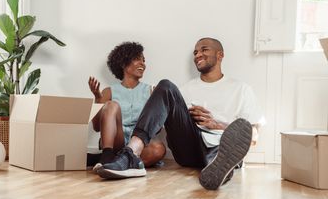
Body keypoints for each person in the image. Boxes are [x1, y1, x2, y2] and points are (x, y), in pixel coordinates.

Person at [96, 37, 265, 190]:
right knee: (165, 86)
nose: (198, 54)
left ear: (220, 55)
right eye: (195, 52)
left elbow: (254, 135)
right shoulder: (184, 90)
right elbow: (164, 124)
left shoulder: (241, 89)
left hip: (220, 143)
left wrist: (217, 124)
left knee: (219, 147)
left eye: (204, 49)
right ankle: (131, 154)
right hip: (190, 146)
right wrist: (186, 120)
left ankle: (218, 167)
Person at [88, 41, 166, 172]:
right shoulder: (109, 91)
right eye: (137, 59)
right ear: (123, 64)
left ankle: (110, 161)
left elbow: (156, 129)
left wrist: (158, 105)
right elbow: (96, 127)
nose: (143, 63)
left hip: (138, 145)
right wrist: (98, 98)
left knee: (159, 149)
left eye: (143, 60)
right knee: (112, 105)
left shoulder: (151, 91)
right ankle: (107, 156)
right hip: (115, 142)